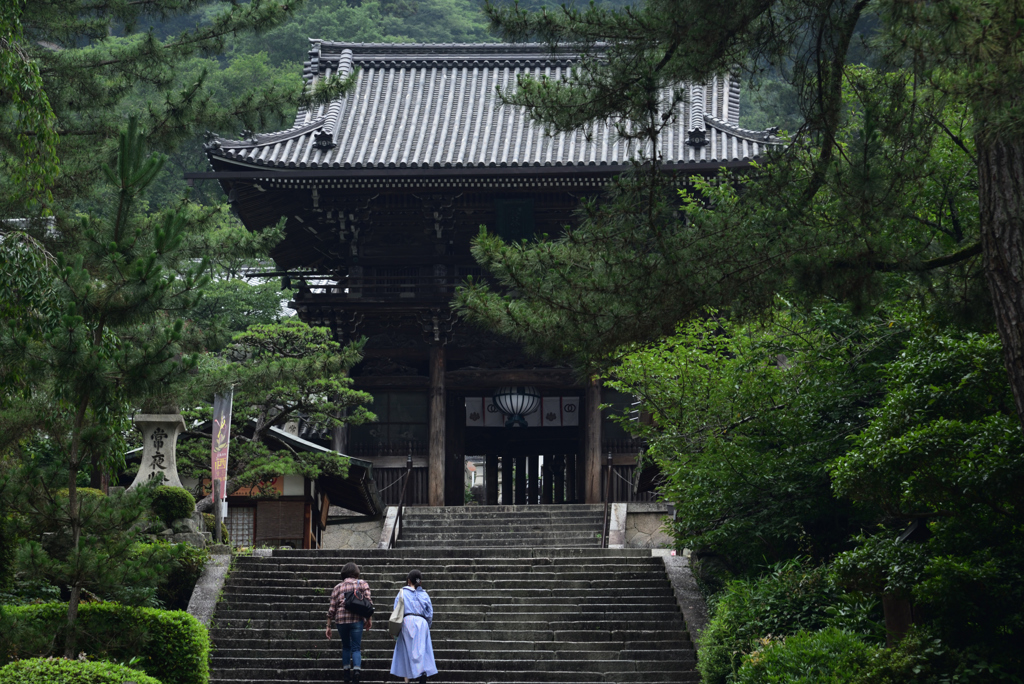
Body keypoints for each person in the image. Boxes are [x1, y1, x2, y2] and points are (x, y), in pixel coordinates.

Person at [326, 562, 373, 683]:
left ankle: (346, 673)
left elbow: (332, 609)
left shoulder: (338, 587)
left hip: (341, 620)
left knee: (346, 646)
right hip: (357, 619)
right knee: (356, 647)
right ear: (356, 573)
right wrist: (369, 619)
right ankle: (356, 671)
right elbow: (368, 603)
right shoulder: (362, 584)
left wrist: (328, 626)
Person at [390, 569, 437, 684]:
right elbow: (429, 613)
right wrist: (427, 626)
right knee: (421, 650)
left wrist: (395, 629)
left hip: (407, 620)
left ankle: (408, 680)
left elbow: (396, 610)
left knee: (406, 651)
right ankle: (422, 672)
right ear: (420, 582)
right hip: (422, 622)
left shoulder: (402, 592)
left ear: (408, 581)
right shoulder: (425, 594)